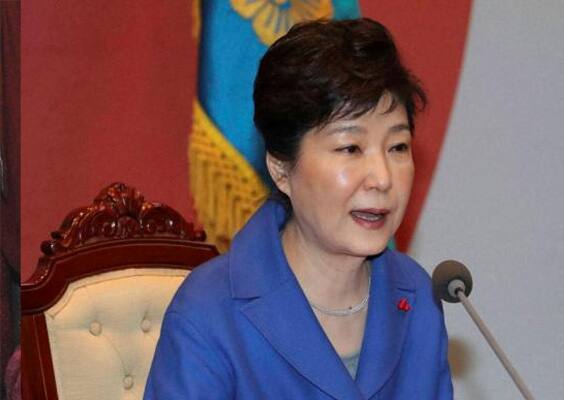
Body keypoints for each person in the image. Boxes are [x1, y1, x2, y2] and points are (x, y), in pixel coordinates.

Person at [145, 18, 453, 399]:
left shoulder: (418, 296)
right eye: (350, 149)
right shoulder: (210, 312)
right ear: (281, 169)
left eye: (398, 148)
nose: (382, 178)